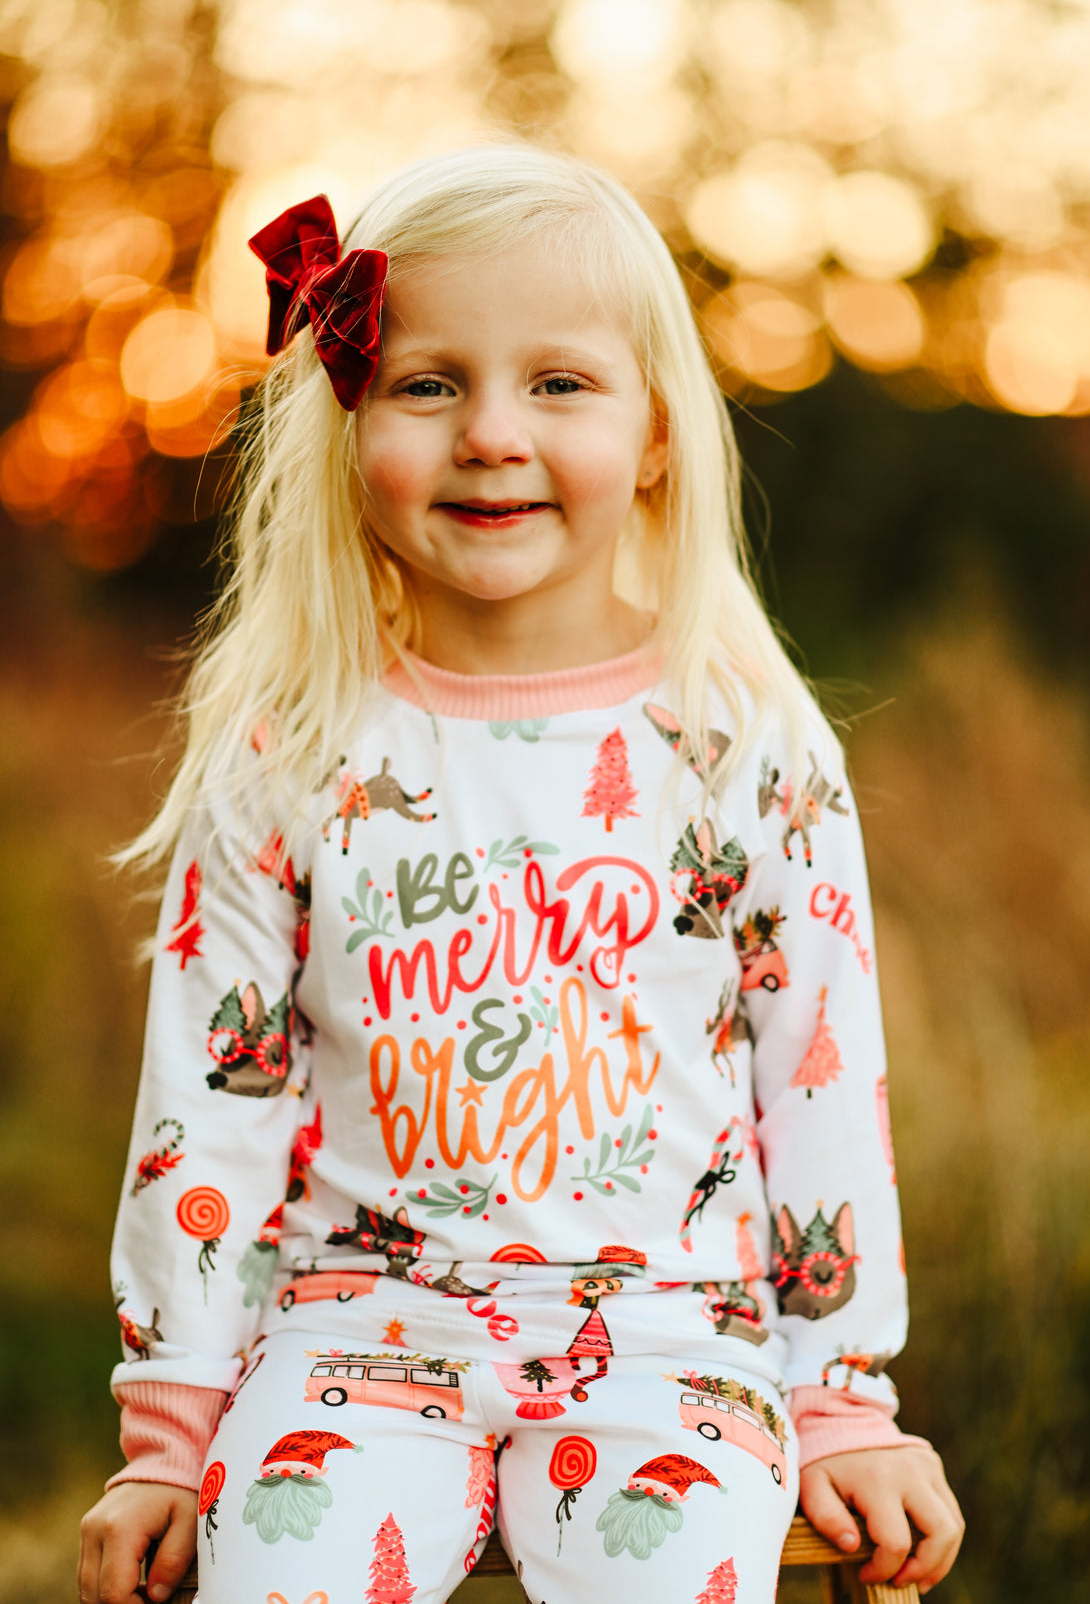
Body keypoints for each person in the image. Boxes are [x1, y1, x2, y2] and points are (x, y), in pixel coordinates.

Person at [78, 145, 963, 1604]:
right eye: (429, 382)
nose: (492, 432)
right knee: (278, 1565)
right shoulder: (289, 746)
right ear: (350, 417)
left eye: (558, 383)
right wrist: (171, 1432)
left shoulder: (742, 742)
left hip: (675, 1342)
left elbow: (818, 1081)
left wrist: (843, 1392)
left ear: (660, 434)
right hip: (354, 1332)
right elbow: (210, 1107)